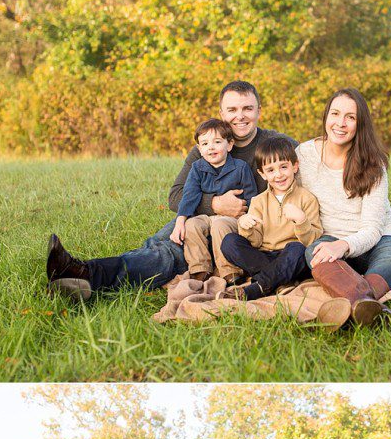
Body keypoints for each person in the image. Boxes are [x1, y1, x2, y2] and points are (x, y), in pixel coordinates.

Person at [45, 81, 297, 299]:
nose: (239, 116)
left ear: (259, 111)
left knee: (167, 255)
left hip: (239, 232)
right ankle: (82, 276)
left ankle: (87, 275)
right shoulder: (206, 148)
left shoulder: (276, 143)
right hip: (201, 219)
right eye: (232, 109)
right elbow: (176, 196)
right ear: (221, 112)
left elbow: (318, 156)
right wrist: (214, 204)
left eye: (247, 109)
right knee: (160, 242)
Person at [296, 87, 391, 327]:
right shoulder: (305, 155)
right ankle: (366, 305)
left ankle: (351, 306)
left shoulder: (373, 163)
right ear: (326, 117)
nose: (341, 123)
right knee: (314, 254)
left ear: (360, 124)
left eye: (351, 117)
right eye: (335, 114)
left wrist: (345, 245)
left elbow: (373, 228)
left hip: (378, 239)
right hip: (330, 239)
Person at [218, 136, 322, 300]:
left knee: (297, 250)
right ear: (262, 174)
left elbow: (312, 242)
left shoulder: (307, 199)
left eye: (283, 167)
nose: (278, 175)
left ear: (295, 166)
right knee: (230, 241)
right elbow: (256, 242)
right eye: (271, 170)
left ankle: (257, 287)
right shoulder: (258, 201)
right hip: (263, 256)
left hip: (291, 257)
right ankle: (280, 281)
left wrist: (301, 221)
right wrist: (246, 227)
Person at [172, 118, 257, 283]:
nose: (210, 147)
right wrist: (180, 221)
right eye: (204, 144)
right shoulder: (197, 168)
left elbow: (251, 196)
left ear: (229, 144)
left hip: (233, 218)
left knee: (220, 225)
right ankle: (200, 269)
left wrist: (249, 217)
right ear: (199, 149)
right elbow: (189, 195)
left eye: (217, 142)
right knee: (192, 225)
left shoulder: (240, 167)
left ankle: (230, 272)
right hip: (206, 216)